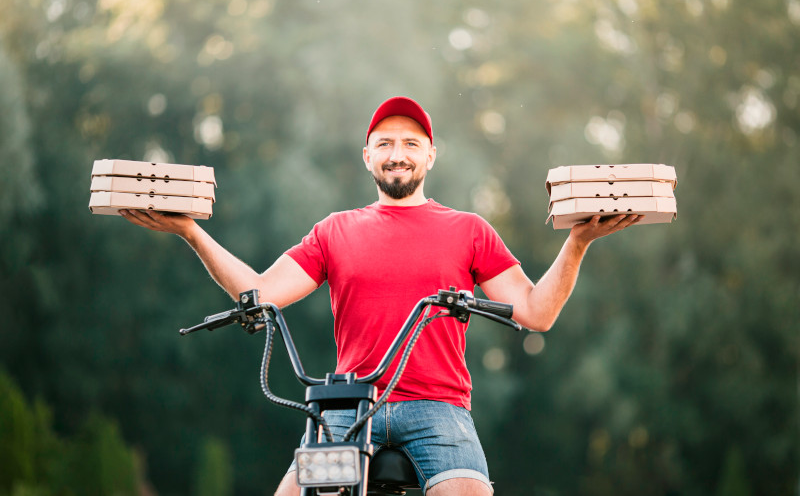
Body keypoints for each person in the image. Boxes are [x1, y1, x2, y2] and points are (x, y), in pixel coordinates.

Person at [121, 96, 641, 495]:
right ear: (368, 155)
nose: (398, 154)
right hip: (349, 406)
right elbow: (260, 293)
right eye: (386, 143)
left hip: (439, 408)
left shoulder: (469, 229)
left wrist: (578, 241)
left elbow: (535, 313)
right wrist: (191, 231)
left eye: (412, 144)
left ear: (430, 156)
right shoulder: (334, 231)